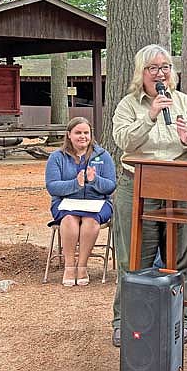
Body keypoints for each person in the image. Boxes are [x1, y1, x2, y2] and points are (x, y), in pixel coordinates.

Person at [111, 44, 187, 348]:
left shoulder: (184, 102)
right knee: (134, 260)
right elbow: (122, 140)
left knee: (184, 258)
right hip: (138, 186)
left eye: (165, 67)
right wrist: (151, 115)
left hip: (182, 185)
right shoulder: (129, 105)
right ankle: (126, 322)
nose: (161, 73)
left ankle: (182, 321)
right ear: (141, 73)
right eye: (153, 68)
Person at [45, 117, 116, 287]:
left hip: (97, 203)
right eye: (78, 133)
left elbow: (111, 186)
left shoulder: (103, 156)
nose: (82, 136)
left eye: (86, 133)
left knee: (90, 220)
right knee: (70, 219)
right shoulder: (57, 157)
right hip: (66, 203)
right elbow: (52, 187)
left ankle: (82, 266)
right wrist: (75, 184)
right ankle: (69, 266)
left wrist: (94, 180)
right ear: (69, 135)